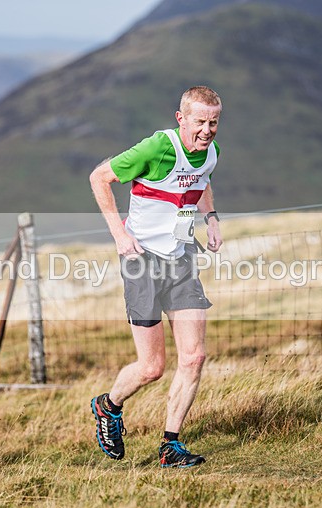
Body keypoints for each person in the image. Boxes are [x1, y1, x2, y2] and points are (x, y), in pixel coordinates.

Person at [89, 86, 223, 468]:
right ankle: (108, 406)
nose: (207, 130)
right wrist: (119, 234)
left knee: (194, 357)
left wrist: (211, 219)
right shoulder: (156, 148)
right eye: (199, 121)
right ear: (181, 118)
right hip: (141, 261)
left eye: (213, 122)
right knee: (151, 368)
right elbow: (99, 178)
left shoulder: (211, 150)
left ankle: (170, 446)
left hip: (181, 261)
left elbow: (203, 178)